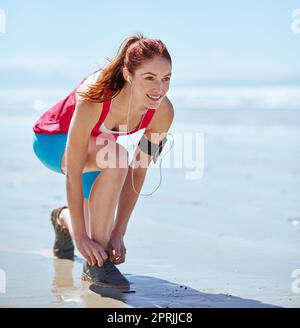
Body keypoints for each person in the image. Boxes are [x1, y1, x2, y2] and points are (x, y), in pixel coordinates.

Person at [32, 33, 174, 289]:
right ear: (128, 74)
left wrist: (119, 232)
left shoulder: (163, 112)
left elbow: (138, 173)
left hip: (98, 152)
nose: (159, 89)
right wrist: (84, 238)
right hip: (53, 143)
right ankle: (97, 266)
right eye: (149, 78)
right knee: (117, 156)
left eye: (166, 79)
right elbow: (73, 172)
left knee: (104, 233)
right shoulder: (95, 95)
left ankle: (61, 218)